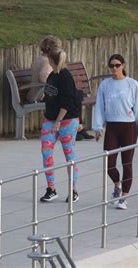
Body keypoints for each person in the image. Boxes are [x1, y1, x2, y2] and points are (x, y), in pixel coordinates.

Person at [93, 54, 138, 210]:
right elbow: (100, 107)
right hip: (112, 126)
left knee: (127, 163)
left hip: (128, 126)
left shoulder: (132, 84)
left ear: (123, 65)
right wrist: (98, 127)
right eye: (111, 66)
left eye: (117, 65)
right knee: (109, 162)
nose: (114, 68)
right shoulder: (105, 85)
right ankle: (117, 185)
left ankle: (124, 197)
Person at [40, 49, 81, 203]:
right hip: (50, 120)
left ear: (53, 60)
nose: (47, 61)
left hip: (67, 120)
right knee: (46, 153)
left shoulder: (65, 77)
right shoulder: (53, 75)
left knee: (69, 155)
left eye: (49, 59)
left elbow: (68, 102)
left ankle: (73, 190)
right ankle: (51, 189)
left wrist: (58, 121)